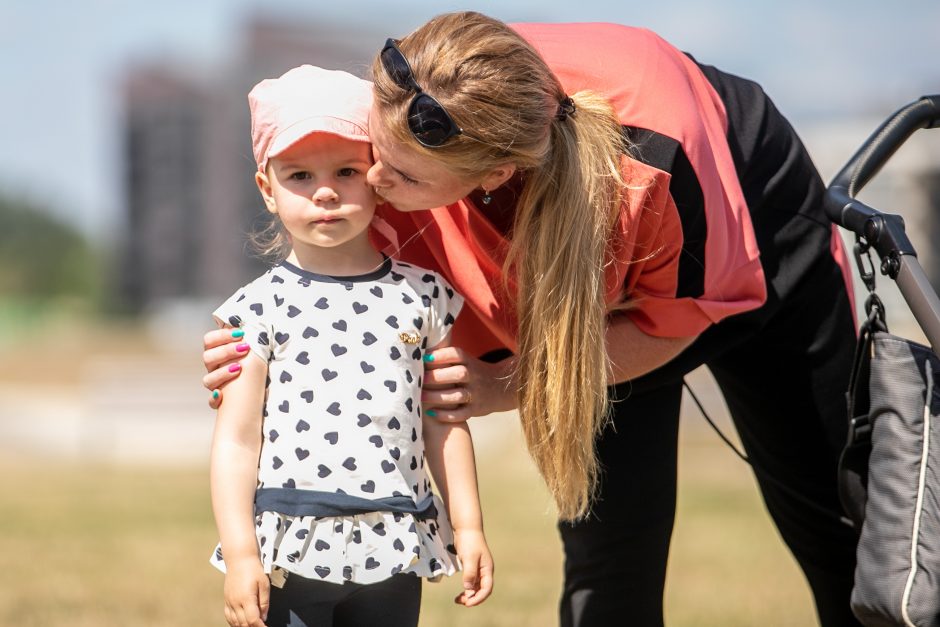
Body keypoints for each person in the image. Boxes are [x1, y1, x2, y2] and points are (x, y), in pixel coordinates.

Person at [203, 13, 861, 627]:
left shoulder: (658, 163)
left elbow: (671, 323)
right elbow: (333, 281)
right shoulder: (407, 117)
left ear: (493, 173)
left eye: (397, 174)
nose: (370, 180)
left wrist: (512, 385)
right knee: (609, 554)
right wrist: (256, 357)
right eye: (370, 152)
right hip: (574, 265)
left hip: (749, 241)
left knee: (834, 518)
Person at [207, 64, 492, 627]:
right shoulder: (255, 309)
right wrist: (241, 555)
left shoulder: (425, 295)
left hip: (395, 538)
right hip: (292, 541)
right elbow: (237, 444)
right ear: (267, 189)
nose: (327, 191)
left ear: (378, 177)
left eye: (346, 170)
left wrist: (469, 527)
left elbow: (444, 421)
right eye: (300, 176)